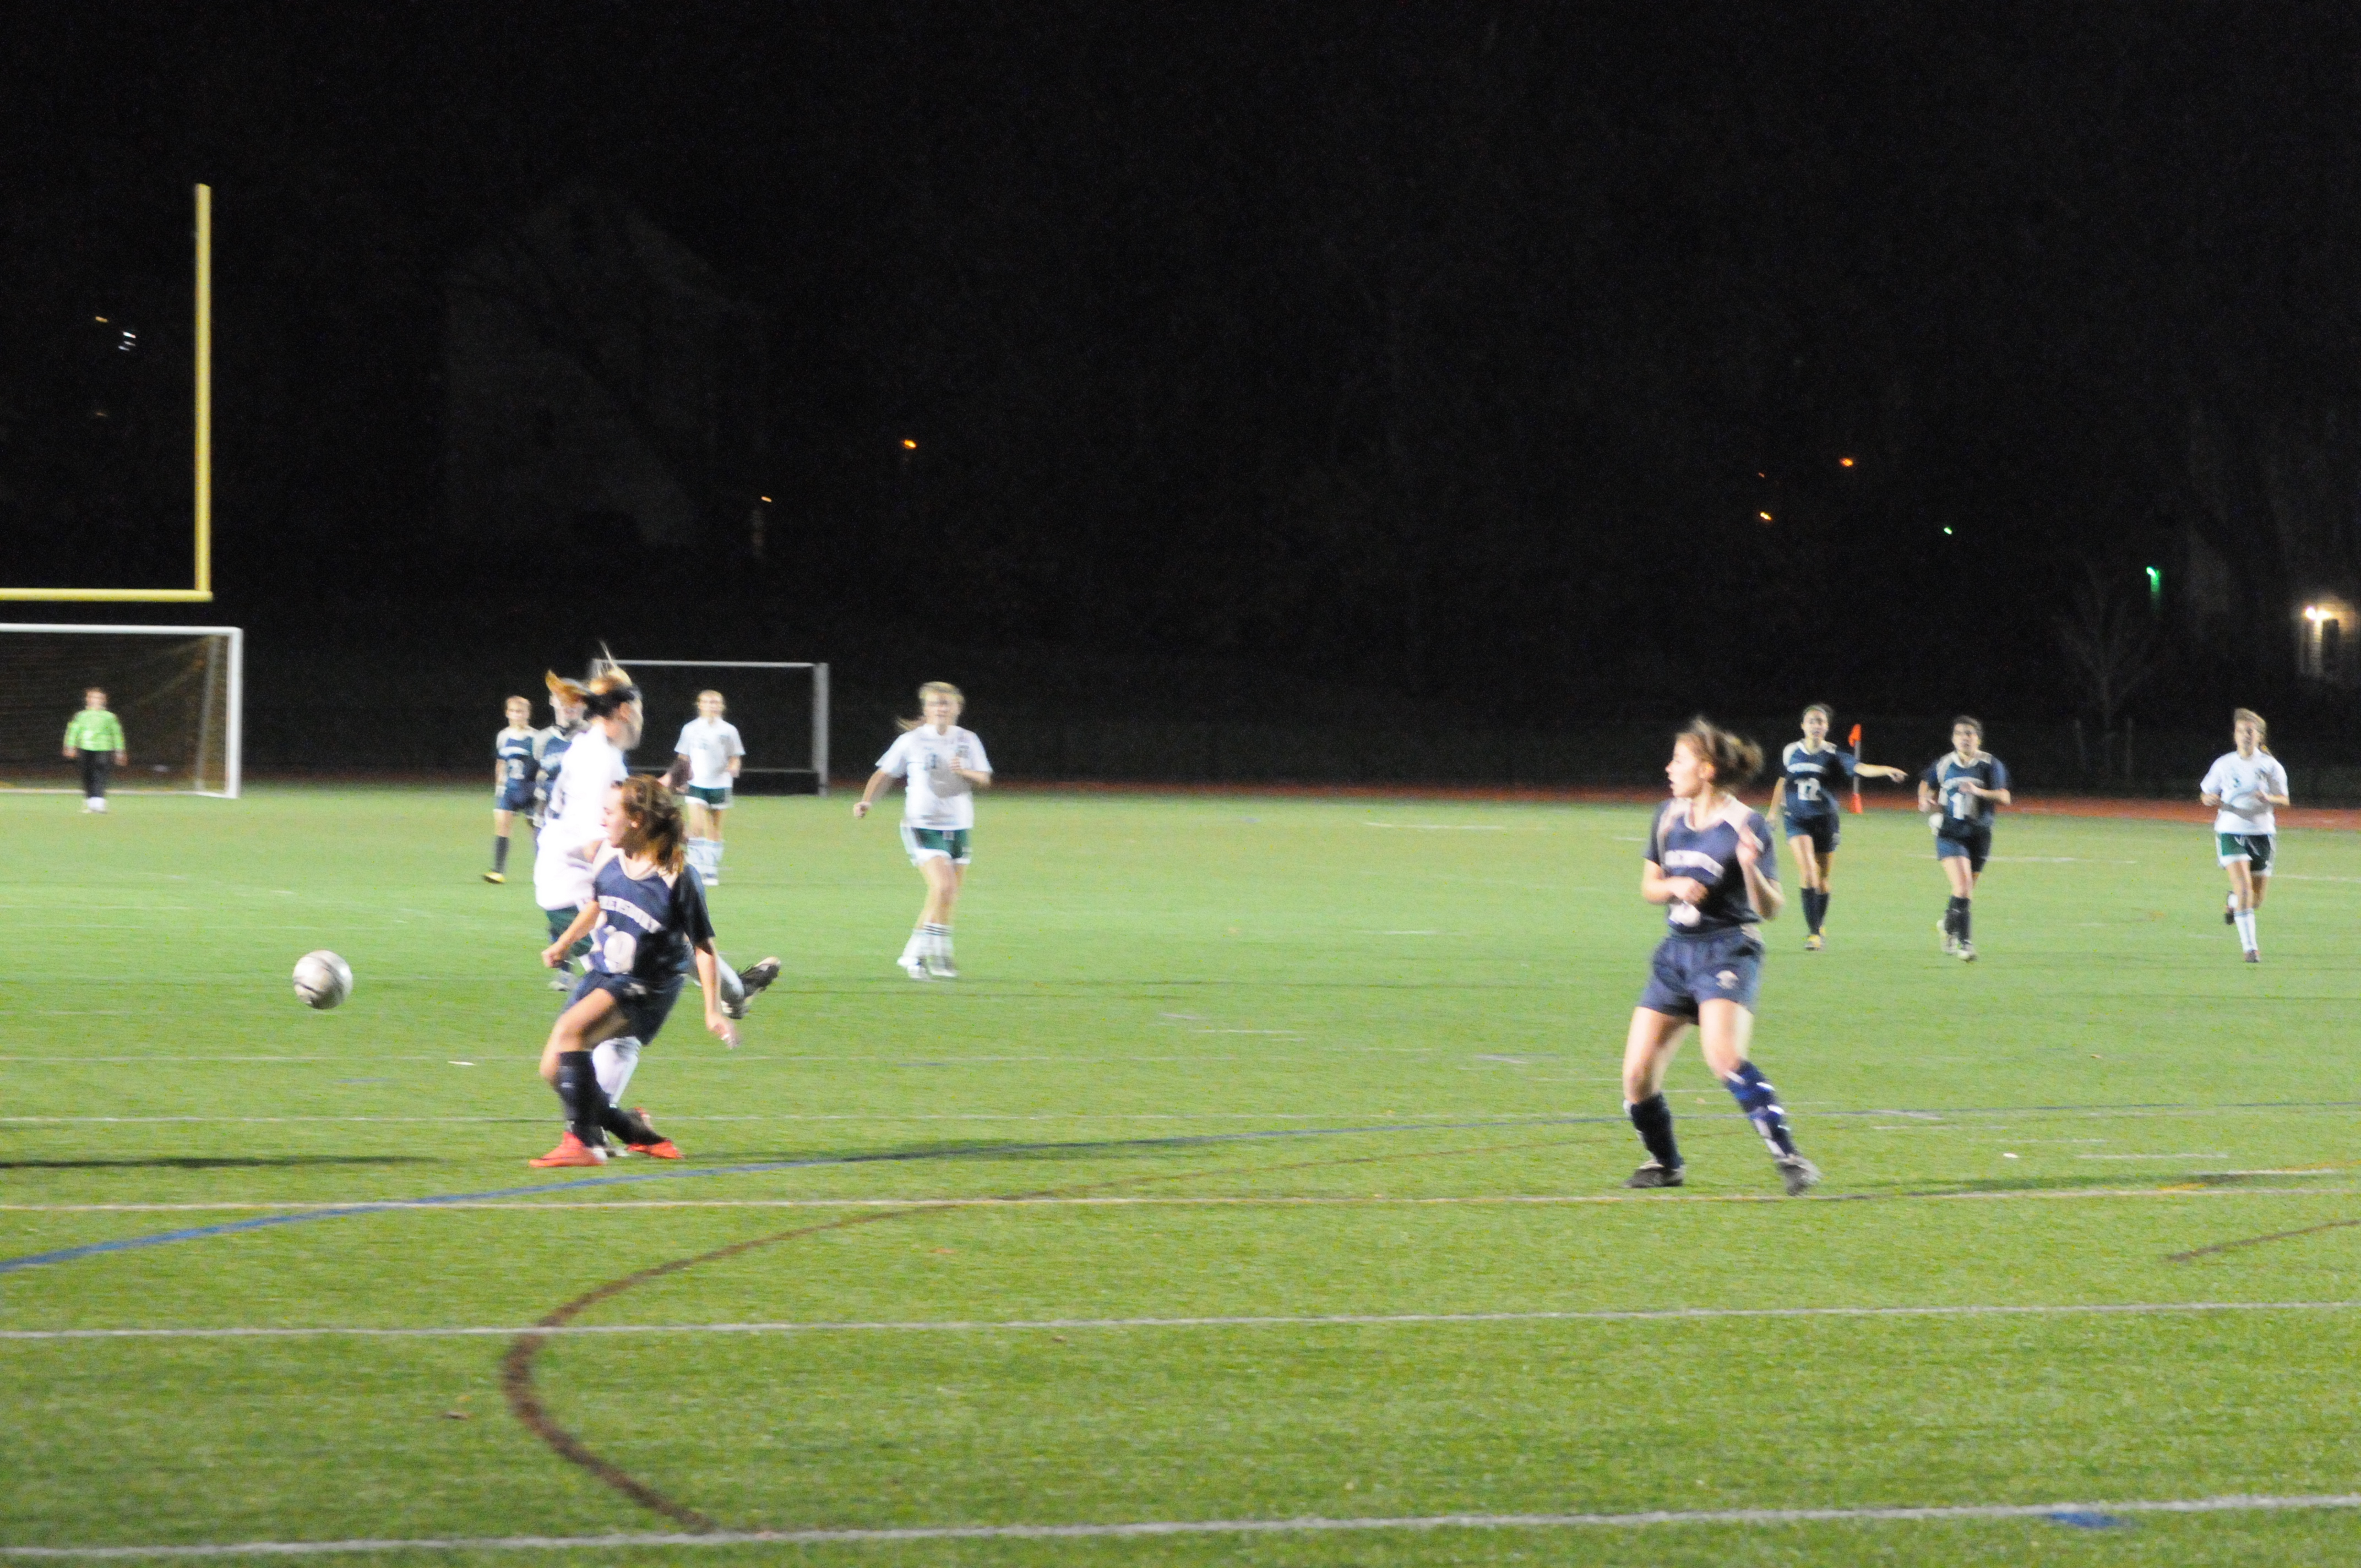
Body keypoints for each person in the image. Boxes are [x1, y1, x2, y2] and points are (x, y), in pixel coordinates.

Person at [1619, 717, 1820, 1197]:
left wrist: (1751, 869)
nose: (1669, 768)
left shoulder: (1746, 825)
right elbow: (1649, 887)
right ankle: (1666, 1164)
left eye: (1679, 760)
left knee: (1724, 1058)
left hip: (1727, 949)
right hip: (1676, 954)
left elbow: (1772, 908)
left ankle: (1790, 1159)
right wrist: (1675, 885)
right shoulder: (1667, 816)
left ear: (1707, 770)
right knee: (1636, 1078)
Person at [531, 777, 737, 1167]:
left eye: (610, 812)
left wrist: (713, 1010)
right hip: (605, 975)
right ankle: (633, 1130)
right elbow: (597, 905)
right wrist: (564, 943)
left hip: (648, 985)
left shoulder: (677, 876)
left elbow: (704, 947)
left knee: (571, 1032)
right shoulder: (611, 859)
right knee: (553, 1069)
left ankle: (584, 1145)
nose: (602, 820)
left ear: (637, 820)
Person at [855, 682, 992, 980]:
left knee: (948, 894)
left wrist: (964, 771)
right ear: (926, 709)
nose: (941, 708)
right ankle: (914, 955)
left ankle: (939, 956)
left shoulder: (968, 739)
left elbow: (984, 778)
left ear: (957, 708)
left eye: (946, 703)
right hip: (922, 824)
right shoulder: (911, 741)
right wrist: (867, 801)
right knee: (942, 887)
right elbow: (884, 773)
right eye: (934, 703)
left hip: (959, 825)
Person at [1765, 704, 1908, 949]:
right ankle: (1814, 934)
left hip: (1825, 821)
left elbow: (1860, 769)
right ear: (1803, 725)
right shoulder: (1791, 751)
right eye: (1812, 721)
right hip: (1797, 820)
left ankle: (1819, 925)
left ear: (1827, 727)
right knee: (1808, 872)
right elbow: (1782, 781)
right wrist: (1772, 812)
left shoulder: (1833, 753)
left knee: (1822, 879)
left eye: (1821, 721)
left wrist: (1886, 770)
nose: (1816, 725)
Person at [1917, 717, 2012, 962]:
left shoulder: (1990, 764)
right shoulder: (1944, 764)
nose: (1964, 738)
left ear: (1978, 739)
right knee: (1963, 887)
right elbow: (1926, 783)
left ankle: (1948, 925)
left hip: (1979, 835)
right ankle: (1965, 944)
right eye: (1959, 733)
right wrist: (1924, 799)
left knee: (1965, 891)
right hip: (1950, 833)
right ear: (1953, 739)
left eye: (1970, 733)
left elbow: (2005, 798)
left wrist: (1978, 791)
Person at [2200, 708, 2290, 963]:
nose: (2245, 736)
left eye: (2250, 731)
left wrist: (2269, 798)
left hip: (2262, 834)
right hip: (2230, 830)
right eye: (2241, 731)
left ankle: (2232, 902)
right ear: (2235, 736)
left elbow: (2284, 800)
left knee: (2255, 900)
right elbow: (2206, 793)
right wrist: (2209, 799)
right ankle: (2251, 949)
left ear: (2259, 736)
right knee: (2245, 891)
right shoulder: (2224, 764)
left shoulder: (2270, 766)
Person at [672, 689, 745, 888]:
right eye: (707, 702)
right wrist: (681, 778)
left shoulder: (729, 730)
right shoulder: (690, 729)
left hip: (720, 785)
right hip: (697, 784)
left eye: (715, 702)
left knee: (714, 830)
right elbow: (683, 757)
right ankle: (696, 868)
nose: (711, 706)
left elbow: (735, 756)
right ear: (699, 705)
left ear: (722, 706)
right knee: (695, 826)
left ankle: (711, 870)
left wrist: (734, 766)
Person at [485, 696, 540, 883]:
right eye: (514, 711)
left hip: (530, 791)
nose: (517, 715)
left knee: (536, 832)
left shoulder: (536, 737)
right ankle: (498, 871)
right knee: (502, 827)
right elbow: (501, 763)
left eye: (521, 712)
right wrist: (499, 786)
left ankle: (543, 869)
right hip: (509, 791)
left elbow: (542, 766)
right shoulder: (503, 736)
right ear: (508, 713)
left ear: (528, 714)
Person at [62, 687, 127, 814]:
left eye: (99, 698)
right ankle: (91, 803)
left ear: (104, 700)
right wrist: (70, 746)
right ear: (88, 700)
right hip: (85, 748)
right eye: (93, 697)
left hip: (104, 748)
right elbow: (74, 731)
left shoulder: (109, 717)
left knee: (100, 774)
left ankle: (100, 803)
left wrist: (120, 751)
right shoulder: (81, 716)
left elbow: (117, 733)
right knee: (87, 775)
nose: (96, 700)